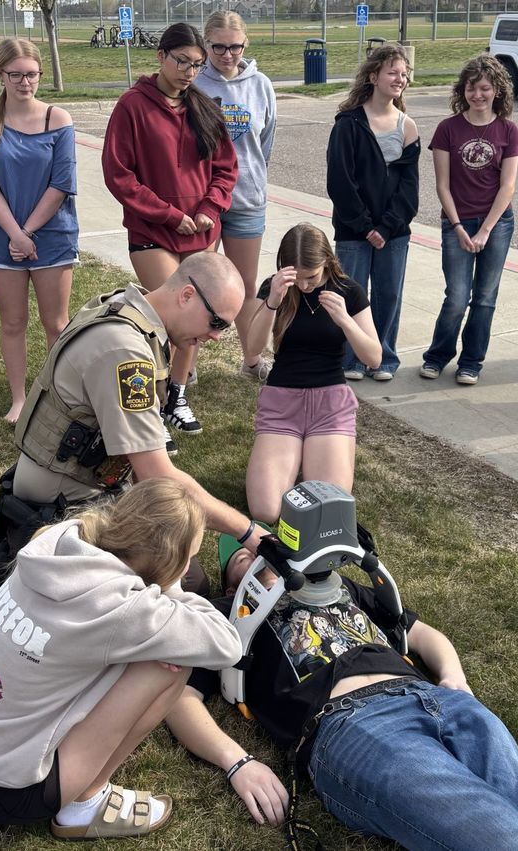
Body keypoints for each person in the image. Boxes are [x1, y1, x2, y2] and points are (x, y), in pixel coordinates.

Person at [164, 539, 518, 850]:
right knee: (506, 839)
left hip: (437, 699)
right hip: (351, 725)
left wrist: (455, 679)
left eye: (264, 553)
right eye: (242, 561)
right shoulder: (225, 616)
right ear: (231, 581)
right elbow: (179, 701)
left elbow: (422, 634)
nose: (256, 560)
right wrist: (238, 763)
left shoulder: (341, 587)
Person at [0, 478, 242, 839]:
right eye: (190, 556)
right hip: (12, 791)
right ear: (170, 559)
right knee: (167, 667)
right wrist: (172, 586)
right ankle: (84, 804)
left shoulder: (59, 538)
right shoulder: (126, 608)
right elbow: (226, 644)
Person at [0, 251, 268, 586]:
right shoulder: (126, 350)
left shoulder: (129, 308)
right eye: (217, 323)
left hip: (78, 483)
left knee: (180, 551)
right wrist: (248, 531)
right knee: (186, 580)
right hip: (62, 503)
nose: (216, 337)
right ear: (187, 295)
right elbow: (156, 475)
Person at [103, 23, 237, 439]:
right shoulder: (132, 106)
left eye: (197, 65)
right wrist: (168, 215)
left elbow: (225, 170)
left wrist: (210, 209)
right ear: (160, 57)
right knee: (167, 319)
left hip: (199, 231)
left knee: (196, 319)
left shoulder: (204, 107)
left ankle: (176, 397)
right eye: (182, 62)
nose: (188, 72)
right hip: (154, 232)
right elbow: (119, 175)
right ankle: (152, 404)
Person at [243, 223, 380, 523]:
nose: (304, 285)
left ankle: (308, 459)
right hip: (282, 403)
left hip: (330, 404)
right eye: (298, 278)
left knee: (326, 509)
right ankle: (297, 460)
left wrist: (345, 320)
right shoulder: (276, 287)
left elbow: (374, 357)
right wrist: (272, 302)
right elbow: (251, 349)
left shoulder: (348, 291)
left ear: (327, 262)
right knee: (266, 510)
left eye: (311, 277)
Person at [0, 38, 77, 424]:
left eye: (31, 74)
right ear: (0, 74)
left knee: (56, 323)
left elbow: (61, 183)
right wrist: (15, 234)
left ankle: (55, 398)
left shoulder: (58, 119)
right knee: (12, 321)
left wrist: (28, 232)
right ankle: (18, 398)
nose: (24, 82)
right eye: (15, 74)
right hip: (3, 236)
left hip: (52, 235)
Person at [420, 55, 518, 386]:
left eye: (484, 88)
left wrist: (486, 230)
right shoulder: (448, 129)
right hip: (457, 222)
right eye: (471, 88)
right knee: (457, 295)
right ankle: (437, 356)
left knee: (484, 297)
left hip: (496, 224)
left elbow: (508, 186)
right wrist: (460, 227)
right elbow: (442, 185)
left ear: (497, 91)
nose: (477, 95)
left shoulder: (508, 130)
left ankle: (471, 361)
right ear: (462, 90)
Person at [326, 45, 419, 383]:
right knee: (351, 292)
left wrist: (387, 226)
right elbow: (340, 182)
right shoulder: (348, 124)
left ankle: (383, 357)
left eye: (404, 72)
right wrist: (366, 226)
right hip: (354, 232)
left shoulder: (408, 126)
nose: (400, 78)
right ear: (373, 76)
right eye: (393, 71)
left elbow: (409, 188)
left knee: (389, 293)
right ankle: (351, 357)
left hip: (393, 233)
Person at [195, 11, 277, 383]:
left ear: (246, 44)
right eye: (218, 47)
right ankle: (187, 365)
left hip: (246, 201)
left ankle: (251, 360)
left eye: (235, 46)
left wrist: (254, 181)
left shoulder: (260, 86)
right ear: (205, 44)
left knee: (244, 287)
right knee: (198, 285)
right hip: (202, 204)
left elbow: (265, 144)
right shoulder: (194, 83)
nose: (227, 54)